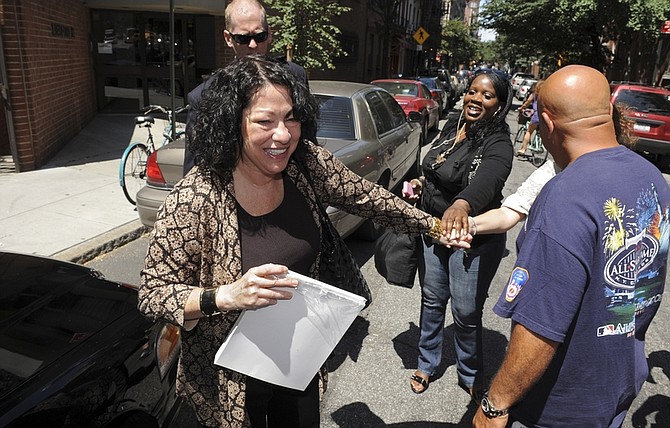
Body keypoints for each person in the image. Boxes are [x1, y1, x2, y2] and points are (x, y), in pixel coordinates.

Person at [138, 55, 447, 428]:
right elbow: (152, 294)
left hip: (299, 358)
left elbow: (367, 197)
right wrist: (224, 297)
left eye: (291, 118)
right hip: (229, 380)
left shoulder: (305, 164)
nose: (283, 135)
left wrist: (434, 226)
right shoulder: (195, 197)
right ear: (232, 124)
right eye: (265, 121)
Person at [472, 65, 670, 427]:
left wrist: (495, 405)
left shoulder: (565, 195)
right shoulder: (650, 176)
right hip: (616, 383)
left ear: (547, 124)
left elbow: (541, 324)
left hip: (559, 404)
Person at [404, 70, 514, 397]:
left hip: (473, 240)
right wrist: (420, 186)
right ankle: (427, 363)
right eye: (472, 91)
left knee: (465, 311)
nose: (475, 98)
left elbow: (490, 177)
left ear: (499, 104)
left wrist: (462, 204)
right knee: (433, 300)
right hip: (435, 230)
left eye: (486, 95)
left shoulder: (499, 141)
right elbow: (436, 167)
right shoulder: (454, 126)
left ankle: (469, 372)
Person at [182, 0, 308, 175]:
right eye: (243, 38)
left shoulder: (295, 76)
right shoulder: (204, 96)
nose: (253, 45)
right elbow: (195, 169)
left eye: (260, 36)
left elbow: (307, 144)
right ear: (228, 38)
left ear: (269, 34)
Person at [514, 80, 544, 157]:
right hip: (544, 115)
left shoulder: (534, 95)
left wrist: (521, 108)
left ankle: (523, 149)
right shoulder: (546, 95)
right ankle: (539, 143)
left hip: (536, 115)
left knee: (529, 132)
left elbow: (527, 103)